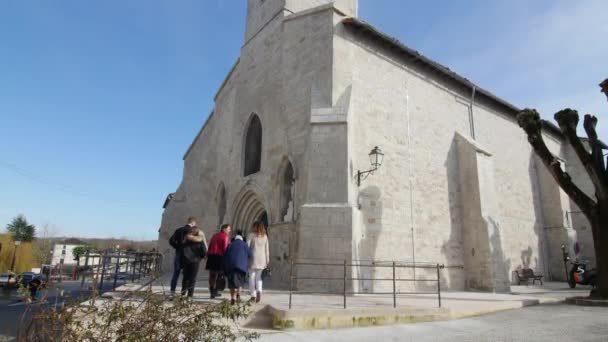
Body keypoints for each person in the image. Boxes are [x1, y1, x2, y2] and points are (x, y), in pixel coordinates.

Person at [168, 216, 199, 297]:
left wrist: (177, 246)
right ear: (193, 223)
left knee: (176, 274)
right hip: (188, 255)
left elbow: (171, 241)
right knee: (187, 276)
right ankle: (184, 293)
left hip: (179, 253)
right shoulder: (192, 231)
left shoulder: (179, 230)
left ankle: (172, 292)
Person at [223, 230, 251, 305]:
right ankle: (238, 294)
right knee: (240, 282)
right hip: (241, 267)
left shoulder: (230, 244)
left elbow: (225, 256)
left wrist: (225, 268)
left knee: (232, 283)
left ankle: (233, 298)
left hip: (231, 267)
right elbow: (250, 254)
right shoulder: (245, 245)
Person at [180, 226, 207, 297]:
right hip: (195, 262)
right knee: (192, 279)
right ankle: (189, 296)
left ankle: (183, 293)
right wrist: (200, 258)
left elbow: (182, 250)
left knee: (185, 278)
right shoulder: (200, 241)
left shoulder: (186, 240)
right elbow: (204, 252)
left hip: (186, 261)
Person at [206, 224, 231, 298]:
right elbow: (225, 249)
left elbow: (210, 245)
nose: (229, 231)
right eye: (228, 229)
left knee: (212, 275)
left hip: (211, 256)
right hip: (220, 257)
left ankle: (211, 291)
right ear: (224, 229)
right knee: (220, 275)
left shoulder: (214, 235)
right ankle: (216, 291)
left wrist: (208, 255)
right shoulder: (225, 236)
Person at [247, 221, 270, 303]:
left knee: (251, 278)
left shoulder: (251, 235)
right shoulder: (265, 236)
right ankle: (259, 291)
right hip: (262, 260)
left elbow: (247, 247)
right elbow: (267, 250)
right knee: (259, 278)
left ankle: (253, 295)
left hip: (253, 259)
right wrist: (267, 261)